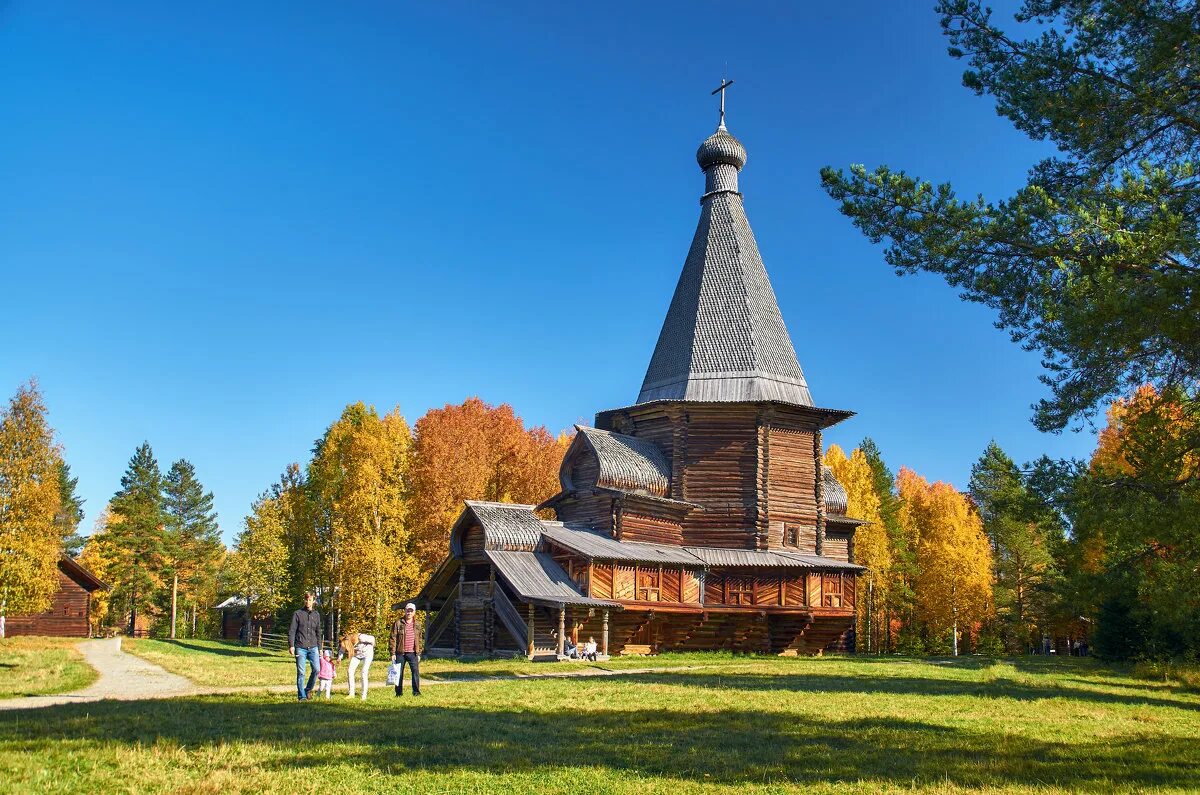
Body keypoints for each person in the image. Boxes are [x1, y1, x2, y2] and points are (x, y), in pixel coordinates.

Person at [288, 592, 324, 701]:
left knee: (317, 670)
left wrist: (320, 648)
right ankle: (302, 696)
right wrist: (291, 645)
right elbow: (292, 630)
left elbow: (318, 632)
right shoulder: (298, 614)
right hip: (300, 646)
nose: (308, 602)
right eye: (306, 599)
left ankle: (308, 689)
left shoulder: (316, 615)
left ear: (314, 601)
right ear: (304, 600)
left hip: (313, 647)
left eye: (310, 600)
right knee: (301, 672)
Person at [388, 602, 422, 697]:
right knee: (398, 674)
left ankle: (416, 692)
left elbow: (419, 639)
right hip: (400, 653)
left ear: (414, 612)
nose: (409, 613)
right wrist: (392, 653)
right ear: (405, 611)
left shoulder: (418, 624)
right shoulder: (398, 623)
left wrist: (418, 653)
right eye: (408, 611)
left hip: (413, 653)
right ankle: (398, 693)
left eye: (411, 611)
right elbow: (392, 638)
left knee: (415, 673)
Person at [341, 632, 375, 700]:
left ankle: (364, 695)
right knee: (350, 671)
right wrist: (339, 657)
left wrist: (372, 646)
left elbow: (372, 638)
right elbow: (342, 649)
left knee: (364, 672)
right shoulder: (346, 641)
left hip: (367, 654)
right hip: (357, 656)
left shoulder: (361, 637)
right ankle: (351, 693)